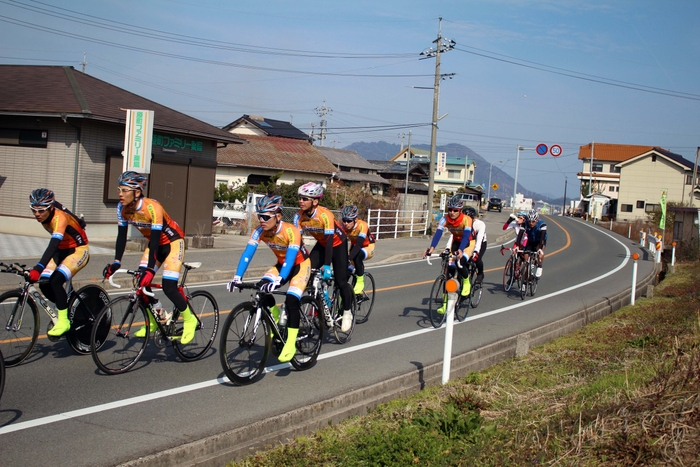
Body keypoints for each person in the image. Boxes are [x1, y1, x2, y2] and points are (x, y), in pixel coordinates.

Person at [102, 171, 197, 344]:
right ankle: (155, 318)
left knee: (169, 286)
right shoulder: (121, 208)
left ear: (137, 192)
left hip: (173, 243)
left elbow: (154, 240)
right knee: (141, 282)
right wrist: (116, 262)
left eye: (124, 190)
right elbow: (121, 236)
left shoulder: (153, 207)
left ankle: (190, 319)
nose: (120, 194)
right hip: (155, 246)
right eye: (119, 189)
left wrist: (149, 268)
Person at [227, 195, 311, 362]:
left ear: (278, 216)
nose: (261, 220)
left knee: (292, 299)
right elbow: (248, 254)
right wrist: (237, 277)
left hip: (299, 265)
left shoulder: (290, 231)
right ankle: (276, 316)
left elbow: (291, 257)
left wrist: (280, 280)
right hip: (281, 264)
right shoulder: (259, 231)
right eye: (259, 216)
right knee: (262, 288)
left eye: (265, 217)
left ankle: (291, 343)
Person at [27, 188, 90, 337]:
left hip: (78, 250)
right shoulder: (50, 207)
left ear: (50, 207)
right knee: (44, 282)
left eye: (41, 211)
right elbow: (60, 204)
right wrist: (78, 219)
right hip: (61, 250)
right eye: (34, 210)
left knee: (55, 281)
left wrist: (38, 267)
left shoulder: (59, 218)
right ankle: (65, 307)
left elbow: (53, 244)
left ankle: (64, 321)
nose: (37, 214)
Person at [293, 182, 353, 332]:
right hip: (321, 244)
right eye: (300, 198)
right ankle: (322, 298)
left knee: (341, 280)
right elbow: (297, 243)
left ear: (315, 201)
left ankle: (347, 313)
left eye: (305, 198)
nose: (301, 201)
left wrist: (327, 264)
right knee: (308, 271)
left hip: (337, 243)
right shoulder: (298, 216)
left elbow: (330, 240)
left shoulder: (325, 215)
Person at [423, 195, 475, 310]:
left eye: (455, 210)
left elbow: (466, 236)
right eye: (450, 210)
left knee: (460, 261)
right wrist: (431, 249)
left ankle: (466, 282)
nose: (452, 212)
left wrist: (461, 250)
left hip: (467, 243)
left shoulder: (467, 219)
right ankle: (445, 304)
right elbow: (438, 234)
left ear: (460, 210)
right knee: (449, 273)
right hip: (456, 242)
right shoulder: (444, 219)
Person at [339, 205, 375, 295]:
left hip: (367, 247)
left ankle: (360, 280)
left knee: (357, 256)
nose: (346, 223)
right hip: (354, 247)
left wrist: (349, 258)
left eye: (349, 221)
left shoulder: (363, 225)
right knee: (346, 273)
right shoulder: (343, 227)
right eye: (344, 220)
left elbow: (359, 244)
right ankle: (345, 298)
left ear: (355, 219)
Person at [462, 206, 486, 283]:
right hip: (468, 241)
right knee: (463, 260)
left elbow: (479, 239)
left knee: (477, 258)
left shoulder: (480, 224)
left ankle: (480, 273)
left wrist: (476, 251)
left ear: (473, 218)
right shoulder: (462, 223)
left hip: (481, 242)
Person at [524, 209, 548, 278]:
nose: (531, 223)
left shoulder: (542, 224)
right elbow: (521, 233)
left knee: (540, 253)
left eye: (533, 221)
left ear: (537, 220)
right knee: (526, 254)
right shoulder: (526, 224)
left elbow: (542, 238)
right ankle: (528, 268)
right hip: (531, 240)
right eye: (529, 221)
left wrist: (540, 249)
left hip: (540, 240)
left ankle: (540, 266)